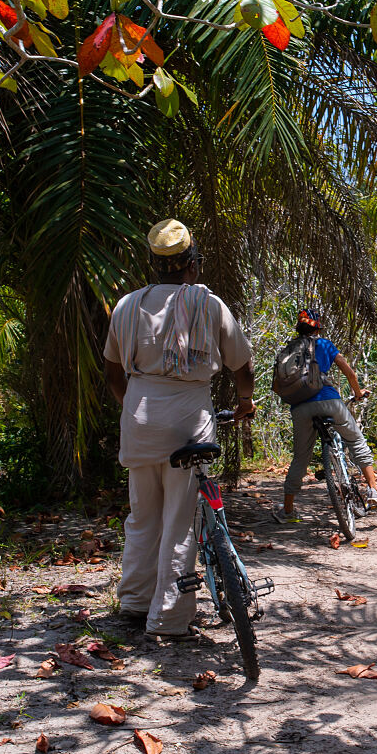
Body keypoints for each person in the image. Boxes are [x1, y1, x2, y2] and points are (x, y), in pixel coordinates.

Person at [103, 219, 255, 640]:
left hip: (139, 417)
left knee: (142, 516)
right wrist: (245, 402)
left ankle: (134, 602)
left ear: (154, 263)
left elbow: (112, 373)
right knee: (179, 521)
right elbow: (242, 366)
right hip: (188, 419)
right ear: (192, 263)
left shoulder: (127, 306)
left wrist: (136, 411)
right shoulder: (208, 304)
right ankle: (169, 619)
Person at [280, 309, 377, 519]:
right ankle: (374, 489)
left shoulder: (288, 349)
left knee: (300, 458)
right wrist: (358, 393)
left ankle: (288, 510)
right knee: (356, 440)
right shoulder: (324, 344)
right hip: (329, 401)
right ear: (318, 328)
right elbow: (348, 371)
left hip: (300, 407)